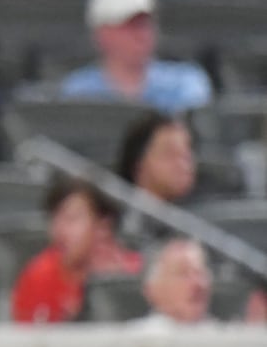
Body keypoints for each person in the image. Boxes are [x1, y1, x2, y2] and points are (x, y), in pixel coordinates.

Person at [59, 0, 214, 114]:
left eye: (146, 24)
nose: (141, 34)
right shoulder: (78, 92)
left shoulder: (185, 83)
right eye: (129, 25)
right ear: (102, 33)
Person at [12, 176, 131, 324]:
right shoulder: (39, 275)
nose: (59, 230)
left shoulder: (132, 275)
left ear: (103, 227)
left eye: (71, 218)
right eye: (54, 219)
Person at [116, 110, 198, 207]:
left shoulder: (200, 211)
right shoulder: (114, 219)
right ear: (138, 166)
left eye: (186, 154)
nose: (183, 164)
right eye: (169, 153)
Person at [132, 238, 215, 329]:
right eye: (182, 273)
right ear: (153, 289)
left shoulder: (225, 336)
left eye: (199, 272)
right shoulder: (132, 339)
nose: (197, 283)